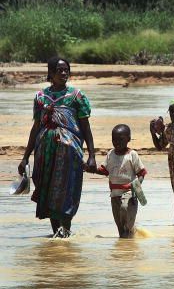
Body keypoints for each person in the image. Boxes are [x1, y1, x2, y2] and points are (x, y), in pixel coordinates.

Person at [18, 57, 96, 238]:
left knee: (67, 190)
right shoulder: (40, 97)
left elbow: (85, 128)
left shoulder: (77, 96)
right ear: (50, 73)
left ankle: (66, 232)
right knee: (49, 189)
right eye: (59, 70)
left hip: (70, 153)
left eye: (66, 69)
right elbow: (36, 128)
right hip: (44, 153)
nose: (63, 73)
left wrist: (91, 155)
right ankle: (56, 234)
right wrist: (25, 157)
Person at [95, 125, 147, 238]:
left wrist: (136, 186)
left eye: (120, 139)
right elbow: (105, 170)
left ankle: (129, 233)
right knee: (119, 226)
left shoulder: (132, 155)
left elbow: (142, 173)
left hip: (129, 192)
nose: (117, 142)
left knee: (124, 207)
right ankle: (127, 240)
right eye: (114, 139)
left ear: (128, 139)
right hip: (114, 194)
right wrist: (91, 169)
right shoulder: (110, 154)